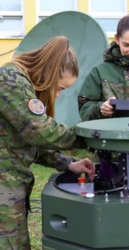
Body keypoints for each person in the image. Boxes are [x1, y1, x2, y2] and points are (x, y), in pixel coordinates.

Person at [0, 36, 95, 249]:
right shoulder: (10, 79)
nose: (58, 95)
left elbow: (27, 142)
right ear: (49, 73)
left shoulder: (20, 84)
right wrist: (89, 137)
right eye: (59, 87)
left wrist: (68, 163)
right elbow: (38, 130)